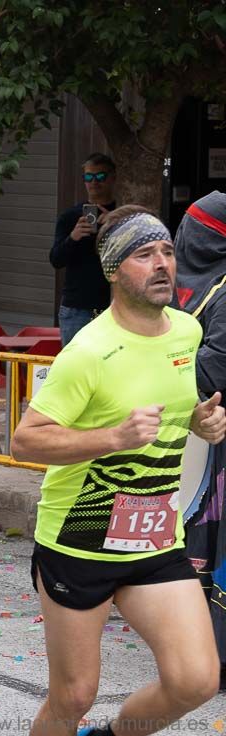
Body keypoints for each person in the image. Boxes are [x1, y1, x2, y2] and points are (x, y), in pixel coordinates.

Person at [10, 206, 225, 736]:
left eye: (166, 252)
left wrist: (202, 423)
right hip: (80, 538)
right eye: (143, 255)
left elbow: (175, 411)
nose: (161, 264)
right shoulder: (89, 352)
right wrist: (112, 438)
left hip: (154, 535)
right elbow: (26, 439)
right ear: (112, 270)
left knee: (196, 678)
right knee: (73, 694)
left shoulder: (186, 330)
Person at [173, 189, 226, 693]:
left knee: (213, 543)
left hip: (217, 438)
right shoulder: (172, 285)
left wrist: (158, 372)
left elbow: (217, 364)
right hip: (187, 439)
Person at [50, 153, 118, 345]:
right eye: (89, 177)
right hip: (77, 307)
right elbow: (56, 259)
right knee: (76, 369)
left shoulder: (123, 214)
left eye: (100, 176)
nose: (94, 182)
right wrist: (73, 237)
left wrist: (116, 224)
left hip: (114, 306)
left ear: (113, 177)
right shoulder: (70, 217)